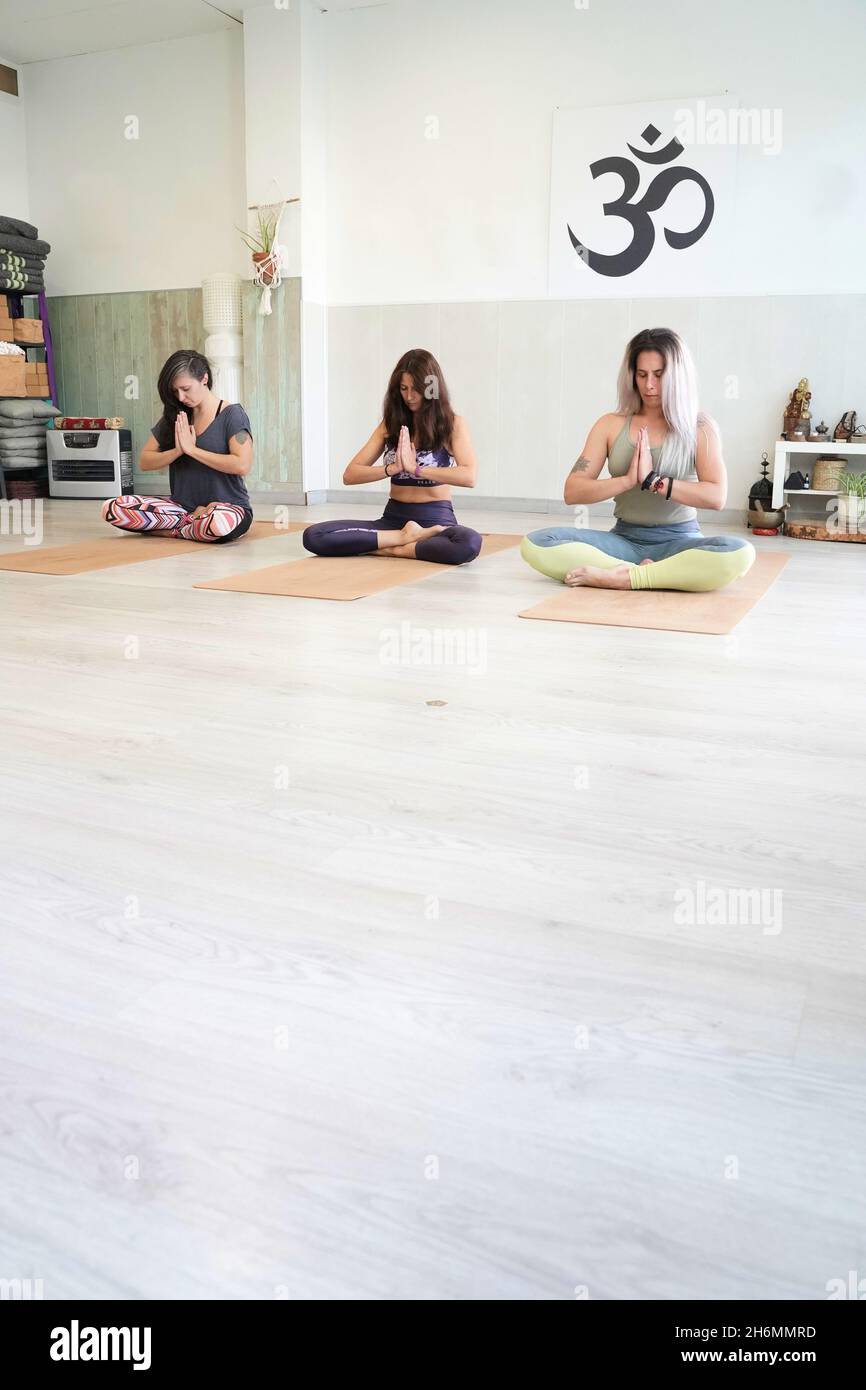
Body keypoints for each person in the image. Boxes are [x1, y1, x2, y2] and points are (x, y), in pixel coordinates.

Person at [520, 327, 755, 591]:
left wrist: (654, 481)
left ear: (678, 377)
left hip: (679, 541)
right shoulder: (609, 425)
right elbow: (572, 492)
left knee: (739, 552)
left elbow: (716, 496)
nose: (649, 385)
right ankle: (653, 575)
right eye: (642, 375)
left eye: (658, 375)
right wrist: (627, 480)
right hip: (623, 541)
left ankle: (626, 577)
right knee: (537, 543)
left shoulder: (700, 427)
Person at [302, 348, 482, 564]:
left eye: (416, 389)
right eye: (404, 389)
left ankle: (393, 549)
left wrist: (417, 469)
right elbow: (350, 475)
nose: (409, 396)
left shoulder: (452, 424)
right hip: (392, 521)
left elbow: (469, 476)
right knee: (314, 536)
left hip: (436, 521)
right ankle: (404, 539)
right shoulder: (390, 425)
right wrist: (392, 469)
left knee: (468, 542)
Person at [102, 350, 254, 543]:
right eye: (175, 391)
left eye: (186, 388)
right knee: (112, 508)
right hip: (180, 508)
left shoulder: (232, 414)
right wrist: (178, 451)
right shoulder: (177, 416)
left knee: (218, 523)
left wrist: (193, 450)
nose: (181, 397)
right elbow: (145, 461)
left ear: (204, 378)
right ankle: (190, 524)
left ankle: (171, 529)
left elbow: (242, 465)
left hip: (228, 507)